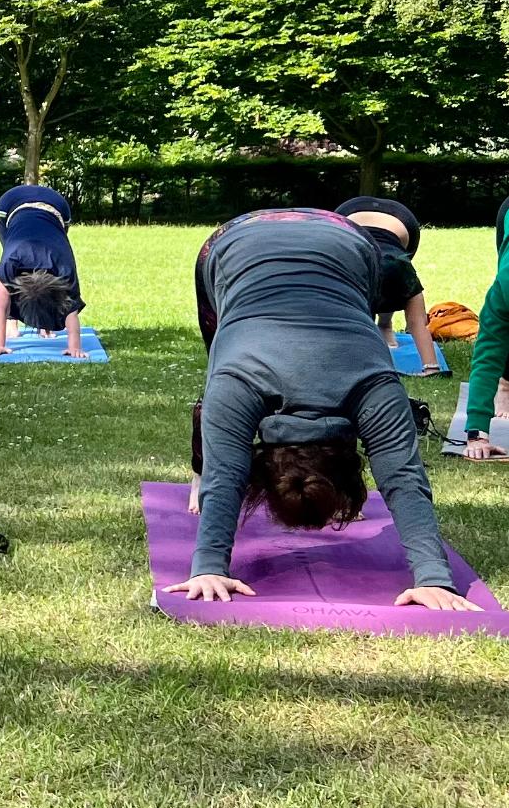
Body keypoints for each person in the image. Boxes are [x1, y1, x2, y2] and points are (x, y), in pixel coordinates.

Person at [170, 209, 472, 610]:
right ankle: (217, 417)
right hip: (276, 240)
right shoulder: (245, 381)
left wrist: (208, 566)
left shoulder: (372, 385)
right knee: (223, 371)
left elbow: (226, 472)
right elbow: (401, 475)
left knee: (224, 375)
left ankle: (219, 416)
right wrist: (433, 577)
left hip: (331, 238)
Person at [335, 195, 436, 373]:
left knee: (381, 286)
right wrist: (432, 368)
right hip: (398, 220)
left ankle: (384, 325)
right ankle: (385, 325)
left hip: (354, 215)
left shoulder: (395, 273)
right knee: (389, 282)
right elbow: (418, 323)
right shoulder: (399, 272)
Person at [0, 184, 87, 359]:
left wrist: (74, 347)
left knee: (54, 233)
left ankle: (45, 325)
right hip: (10, 204)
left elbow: (71, 306)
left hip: (56, 207)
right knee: (10, 245)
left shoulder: (65, 269)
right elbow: (1, 307)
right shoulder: (9, 264)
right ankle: (12, 324)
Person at [460, 197, 509, 460]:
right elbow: (487, 358)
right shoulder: (501, 295)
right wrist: (477, 433)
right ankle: (506, 383)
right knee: (499, 343)